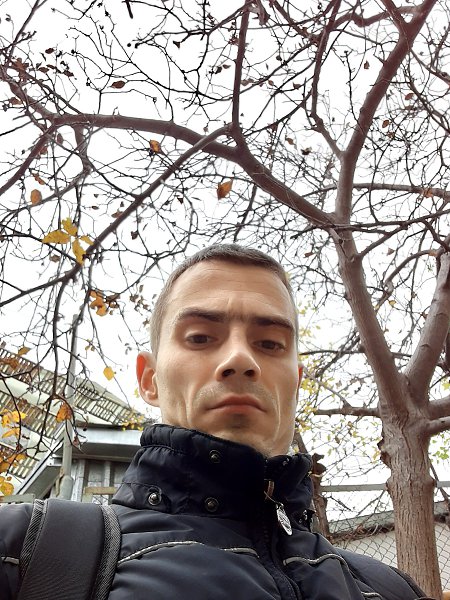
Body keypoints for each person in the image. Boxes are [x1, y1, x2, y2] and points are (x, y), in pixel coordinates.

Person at [0, 244, 427, 599]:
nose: (240, 358)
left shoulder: (390, 590)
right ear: (149, 379)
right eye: (201, 337)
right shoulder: (22, 550)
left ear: (296, 383)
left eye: (270, 343)